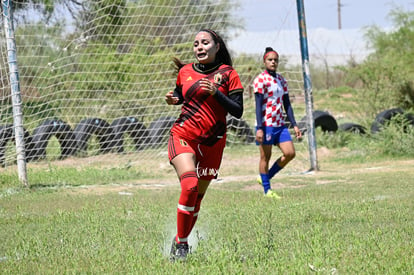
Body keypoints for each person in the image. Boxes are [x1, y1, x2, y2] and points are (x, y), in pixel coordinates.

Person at [165, 29, 244, 261]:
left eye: (205, 43)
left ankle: (180, 238)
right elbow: (181, 94)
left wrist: (217, 93)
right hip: (183, 136)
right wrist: (174, 99)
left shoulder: (228, 74)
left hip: (213, 143)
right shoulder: (185, 71)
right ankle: (182, 245)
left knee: (197, 199)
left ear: (216, 46)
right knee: (189, 186)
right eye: (196, 44)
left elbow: (237, 111)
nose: (199, 47)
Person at [253, 47, 302, 198]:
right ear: (264, 61)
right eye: (270, 60)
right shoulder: (260, 80)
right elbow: (258, 105)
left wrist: (294, 124)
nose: (273, 62)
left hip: (280, 124)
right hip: (266, 125)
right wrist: (260, 128)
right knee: (265, 158)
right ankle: (267, 191)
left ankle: (265, 177)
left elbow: (287, 104)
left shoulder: (281, 80)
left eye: (275, 60)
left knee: (290, 153)